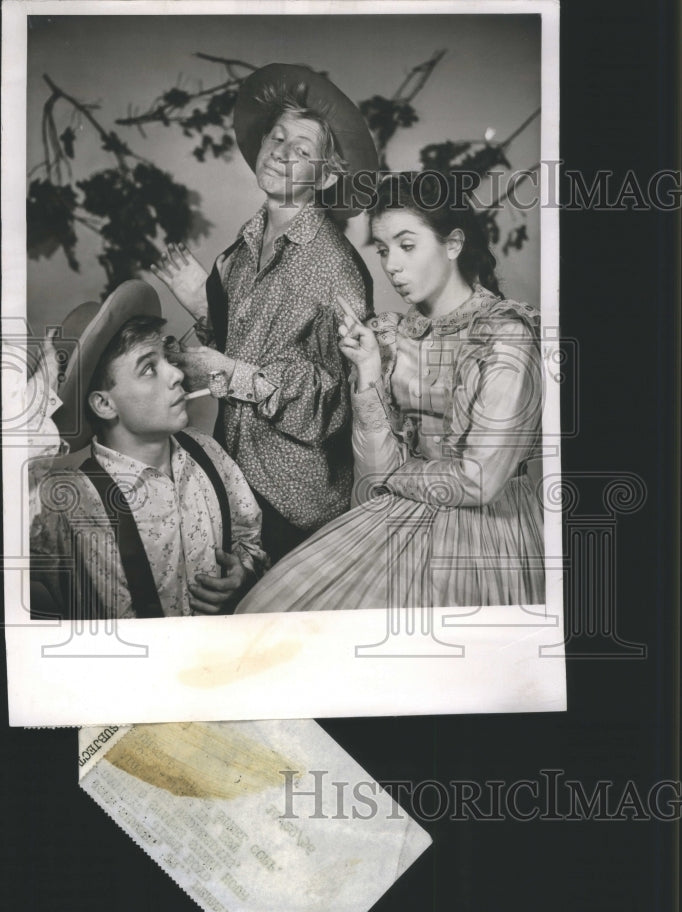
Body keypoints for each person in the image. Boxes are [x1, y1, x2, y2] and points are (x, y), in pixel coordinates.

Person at [236, 172, 545, 613]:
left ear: (453, 244)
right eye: (382, 250)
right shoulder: (393, 337)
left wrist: (396, 479)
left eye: (407, 245)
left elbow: (480, 481)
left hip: (490, 527)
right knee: (274, 610)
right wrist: (367, 373)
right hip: (404, 512)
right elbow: (370, 476)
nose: (391, 266)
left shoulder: (505, 335)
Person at [151, 63, 377, 562]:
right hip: (233, 481)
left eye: (302, 150)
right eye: (276, 138)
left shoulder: (336, 267)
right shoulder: (242, 247)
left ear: (327, 173)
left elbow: (337, 400)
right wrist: (205, 308)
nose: (280, 152)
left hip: (297, 505)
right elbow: (251, 347)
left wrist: (231, 374)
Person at [31, 279, 267, 619]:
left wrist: (243, 575)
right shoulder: (67, 500)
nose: (175, 373)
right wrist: (35, 403)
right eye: (148, 368)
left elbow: (249, 535)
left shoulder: (206, 452)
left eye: (166, 357)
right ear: (103, 403)